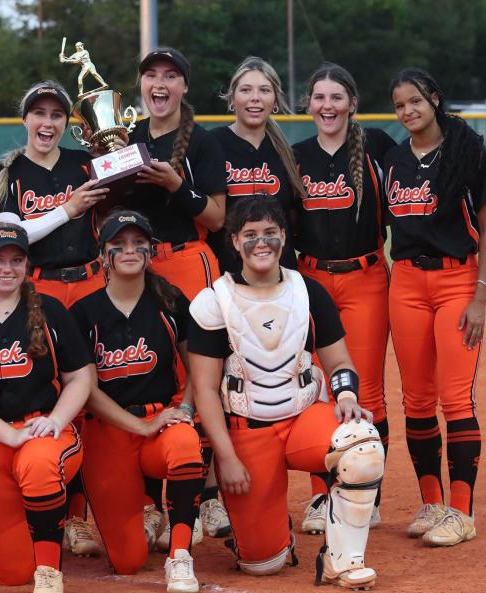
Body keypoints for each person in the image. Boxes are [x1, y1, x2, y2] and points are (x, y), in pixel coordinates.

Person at [189, 196, 385, 589]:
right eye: (250, 235)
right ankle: (272, 534)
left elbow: (340, 364)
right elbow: (206, 389)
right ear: (233, 241)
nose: (261, 243)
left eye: (270, 234)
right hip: (249, 428)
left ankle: (341, 560)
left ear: (283, 237)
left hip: (302, 417)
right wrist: (225, 456)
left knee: (361, 444)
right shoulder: (213, 301)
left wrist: (346, 397)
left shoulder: (308, 292)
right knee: (264, 564)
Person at [0, 223, 94, 593]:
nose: (6, 268)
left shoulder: (50, 311)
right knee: (10, 573)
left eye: (16, 260)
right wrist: (8, 434)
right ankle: (27, 532)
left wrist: (56, 420)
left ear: (28, 264)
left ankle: (49, 571)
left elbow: (80, 378)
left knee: (39, 465)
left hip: (42, 431)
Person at [0, 80, 108, 557]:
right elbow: (8, 231)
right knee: (41, 386)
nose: (47, 123)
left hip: (89, 280)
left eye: (57, 115)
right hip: (36, 287)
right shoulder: (9, 172)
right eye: (38, 113)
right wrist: (67, 210)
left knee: (87, 393)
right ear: (25, 120)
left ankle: (76, 517)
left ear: (68, 123)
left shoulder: (85, 164)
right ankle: (34, 500)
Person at [384, 68, 486, 546]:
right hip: (406, 282)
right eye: (399, 105)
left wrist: (480, 295)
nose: (408, 111)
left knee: (455, 398)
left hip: (456, 280)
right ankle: (431, 503)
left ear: (434, 98)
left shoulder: (467, 150)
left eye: (415, 101)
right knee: (415, 398)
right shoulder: (392, 158)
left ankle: (462, 511)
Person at [124, 47, 229, 549]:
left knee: (198, 373)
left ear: (185, 87)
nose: (160, 84)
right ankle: (150, 502)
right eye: (151, 76)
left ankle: (205, 492)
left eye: (171, 76)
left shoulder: (202, 142)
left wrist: (176, 184)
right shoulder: (128, 139)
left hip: (190, 259)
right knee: (147, 369)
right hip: (139, 264)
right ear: (140, 86)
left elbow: (217, 217)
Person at [70, 211, 204, 593]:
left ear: (150, 251)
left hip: (160, 422)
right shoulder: (83, 312)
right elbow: (86, 390)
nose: (129, 250)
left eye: (137, 243)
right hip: (108, 431)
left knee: (184, 443)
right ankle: (147, 513)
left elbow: (197, 367)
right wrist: (139, 426)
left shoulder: (170, 299)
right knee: (127, 561)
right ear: (103, 256)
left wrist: (187, 411)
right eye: (118, 245)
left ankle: (180, 555)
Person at [293, 63, 396, 535]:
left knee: (366, 389)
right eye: (319, 97)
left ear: (352, 103)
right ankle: (321, 495)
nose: (327, 106)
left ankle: (366, 496)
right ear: (308, 104)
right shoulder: (295, 156)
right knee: (317, 390)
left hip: (366, 278)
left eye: (337, 97)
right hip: (311, 281)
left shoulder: (376, 148)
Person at [210, 56, 304, 274]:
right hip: (226, 275)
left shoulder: (288, 154)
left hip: (280, 275)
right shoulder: (211, 145)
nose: (255, 98)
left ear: (275, 101)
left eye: (264, 90)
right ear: (232, 99)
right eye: (246, 90)